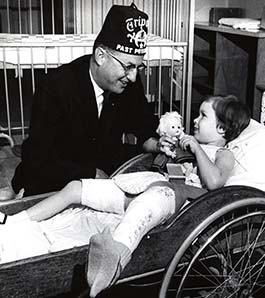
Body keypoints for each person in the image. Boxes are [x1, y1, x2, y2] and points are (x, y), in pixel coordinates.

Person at [0, 95, 251, 297]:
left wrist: (197, 149)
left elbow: (216, 182)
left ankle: (113, 258)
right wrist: (165, 147)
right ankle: (16, 219)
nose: (195, 120)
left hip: (177, 201)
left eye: (203, 116)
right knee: (77, 188)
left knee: (146, 206)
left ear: (221, 128)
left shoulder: (223, 153)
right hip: (147, 185)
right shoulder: (185, 146)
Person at [10, 3, 160, 197]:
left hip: (102, 163)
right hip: (57, 173)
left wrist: (156, 142)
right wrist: (90, 174)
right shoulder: (55, 87)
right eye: (128, 66)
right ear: (100, 56)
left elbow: (143, 123)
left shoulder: (129, 82)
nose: (132, 76)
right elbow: (39, 158)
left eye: (138, 68)